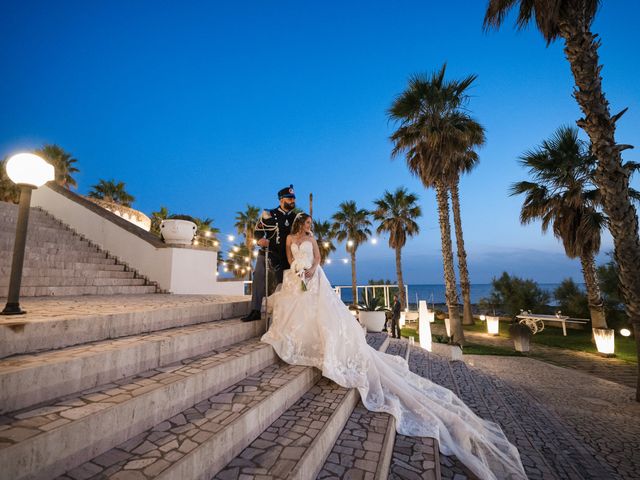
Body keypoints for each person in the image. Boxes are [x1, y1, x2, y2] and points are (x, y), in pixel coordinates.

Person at [261, 212, 527, 480]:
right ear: (299, 224)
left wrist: (310, 269)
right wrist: (297, 269)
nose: (309, 228)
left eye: (310, 225)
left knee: (321, 316)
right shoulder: (290, 238)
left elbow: (318, 258)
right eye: (306, 224)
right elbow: (290, 257)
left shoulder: (312, 239)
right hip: (296, 279)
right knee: (297, 313)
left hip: (314, 277)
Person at [241, 185, 297, 322]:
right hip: (267, 253)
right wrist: (260, 239)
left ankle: (286, 315)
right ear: (281, 200)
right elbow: (258, 231)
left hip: (286, 256)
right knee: (258, 278)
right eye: (289, 199)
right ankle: (255, 310)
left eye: (293, 198)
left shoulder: (296, 218)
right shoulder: (269, 214)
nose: (292, 201)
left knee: (286, 285)